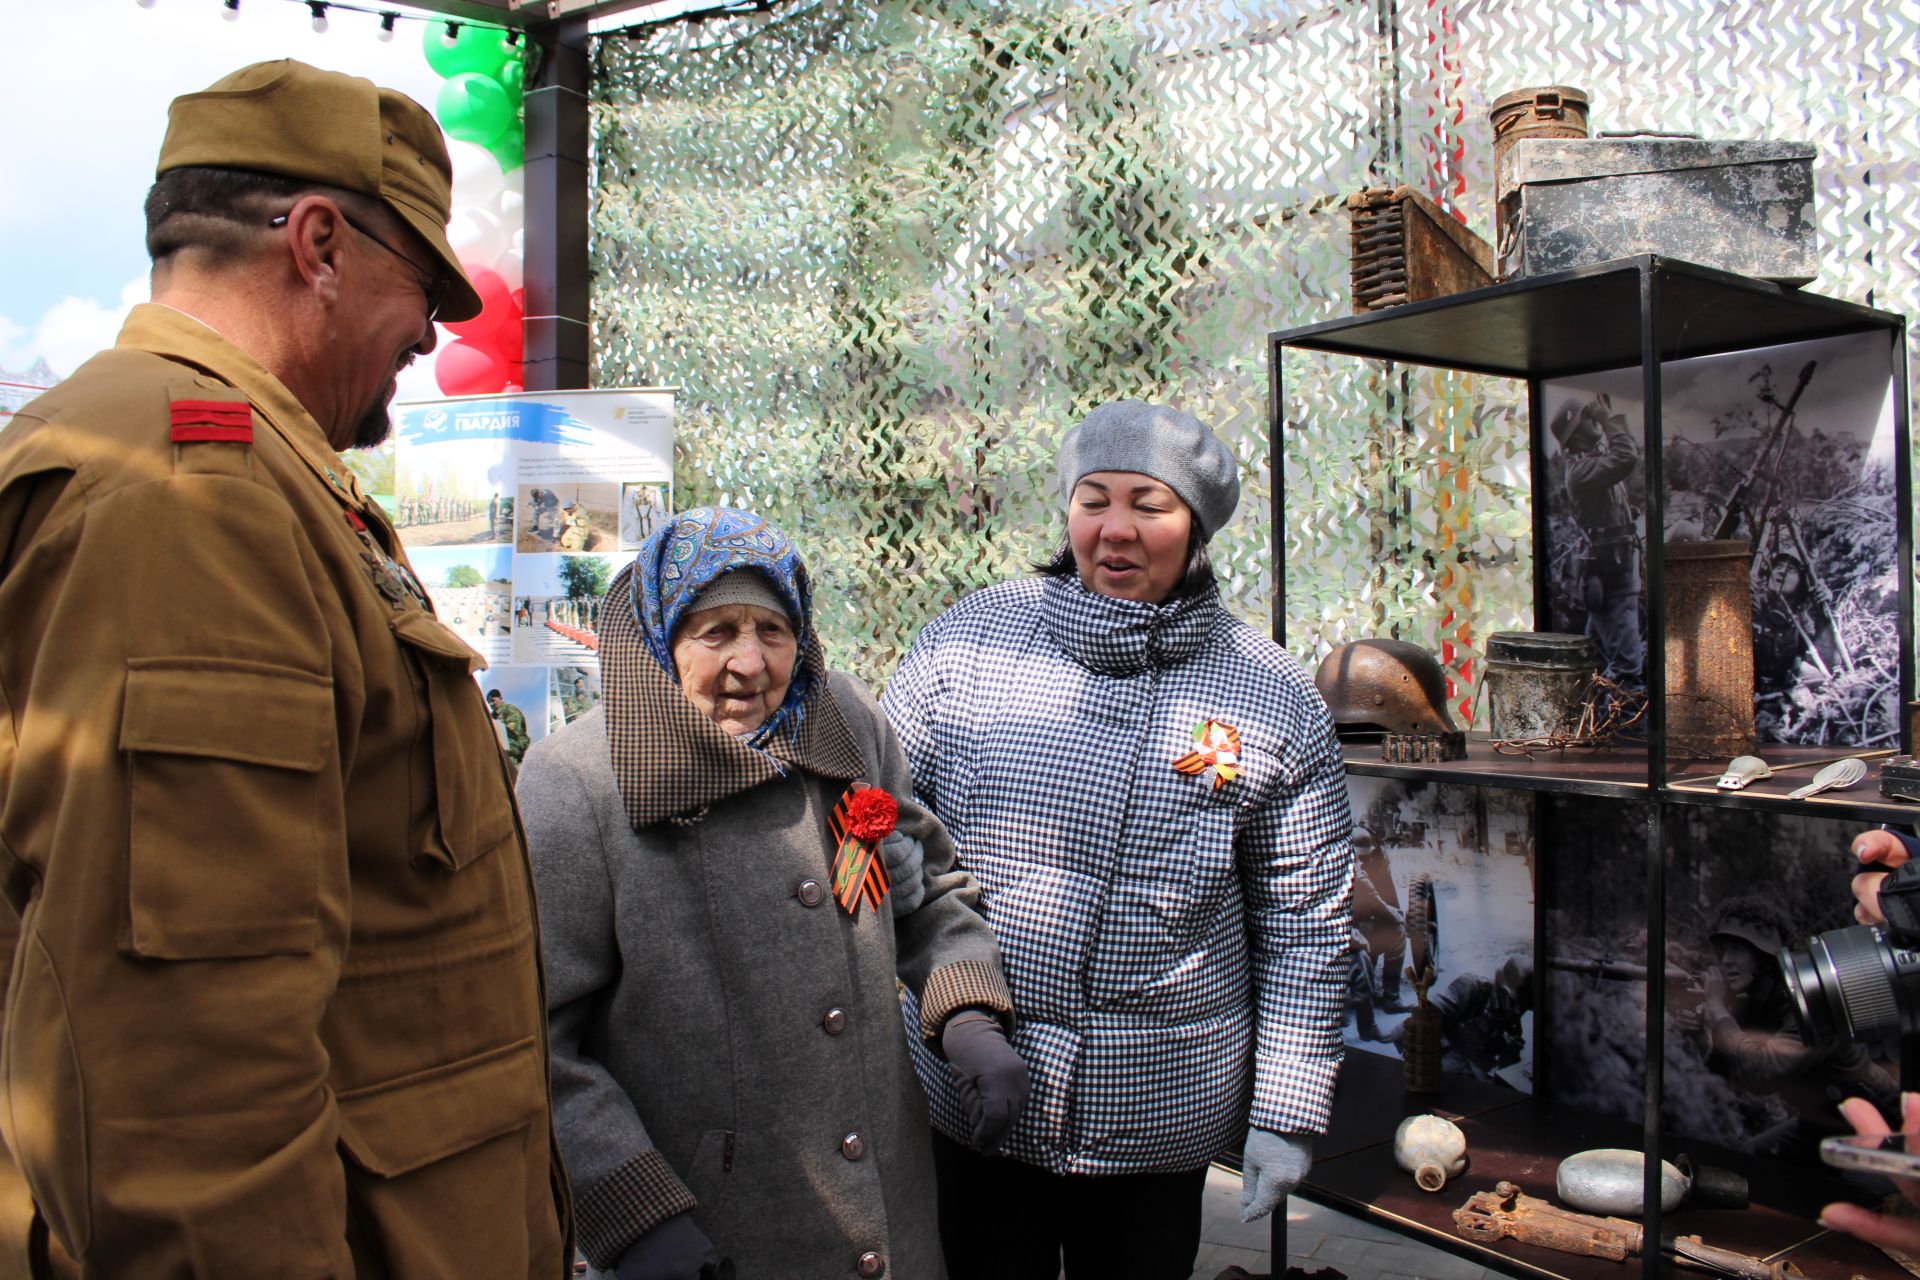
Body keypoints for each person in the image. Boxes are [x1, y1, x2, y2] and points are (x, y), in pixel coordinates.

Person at [0, 60, 570, 1275]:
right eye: (420, 283)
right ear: (318, 243)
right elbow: (188, 1063)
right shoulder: (186, 494)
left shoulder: (243, 469)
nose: (430, 331)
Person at [882, 400, 1354, 1278]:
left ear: (1197, 527)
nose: (1117, 529)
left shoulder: (1270, 693)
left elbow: (1307, 921)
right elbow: (885, 820)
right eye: (1093, 499)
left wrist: (1286, 1112)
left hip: (1160, 1109)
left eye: (1150, 504)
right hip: (976, 1082)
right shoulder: (969, 642)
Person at [519, 506, 1027, 1280]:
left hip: (890, 1210)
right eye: (715, 633)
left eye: (773, 631)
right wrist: (631, 1211)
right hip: (713, 1229)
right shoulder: (579, 786)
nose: (751, 664)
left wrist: (967, 1012)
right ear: (660, 636)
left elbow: (928, 893)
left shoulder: (846, 721)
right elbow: (536, 1042)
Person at [1684, 896, 1893, 1157]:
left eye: (1737, 949)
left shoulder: (1810, 1002)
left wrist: (1719, 1012)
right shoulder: (1755, 1002)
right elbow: (1727, 1078)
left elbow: (1761, 1075)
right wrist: (1703, 1033)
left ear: (1765, 956)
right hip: (1821, 1121)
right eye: (1723, 950)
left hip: (1877, 1122)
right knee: (1745, 1160)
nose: (1726, 960)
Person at [1551, 393, 1643, 688]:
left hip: (1615, 574)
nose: (1596, 421)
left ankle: (1593, 723)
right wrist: (1607, 418)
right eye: (1588, 419)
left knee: (1594, 660)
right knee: (1628, 669)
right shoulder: (1581, 472)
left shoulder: (1590, 465)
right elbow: (1626, 457)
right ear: (1576, 434)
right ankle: (1626, 728)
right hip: (1612, 579)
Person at [490, 688, 532, 764]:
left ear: (500, 698)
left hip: (514, 748)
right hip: (501, 751)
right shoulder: (491, 716)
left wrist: (498, 724)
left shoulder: (510, 710)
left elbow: (514, 732)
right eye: (489, 702)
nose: (491, 704)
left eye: (493, 700)